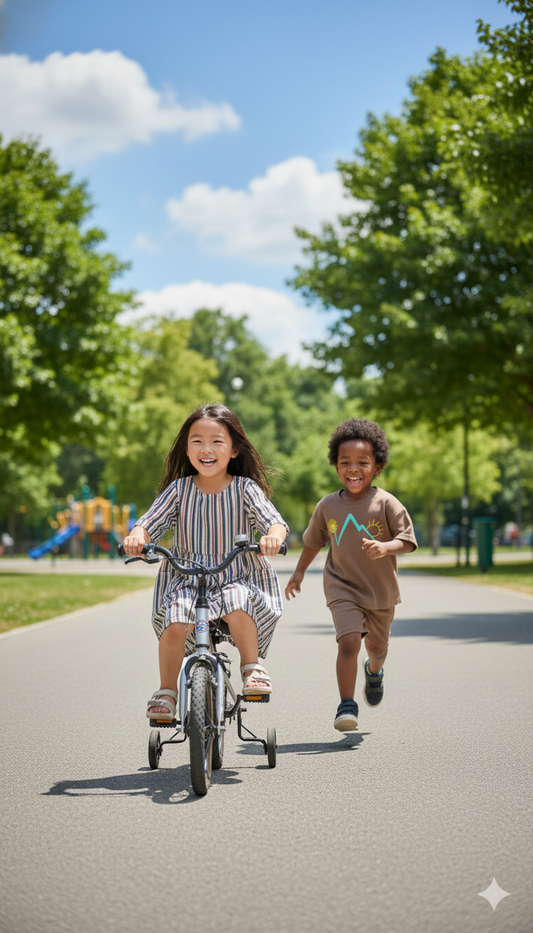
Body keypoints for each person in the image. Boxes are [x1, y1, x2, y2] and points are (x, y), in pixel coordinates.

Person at [123, 403, 288, 721]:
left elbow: (274, 521)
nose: (206, 449)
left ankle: (252, 669)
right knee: (174, 624)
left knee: (238, 604)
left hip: (235, 575)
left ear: (234, 449)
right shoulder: (179, 490)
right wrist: (138, 536)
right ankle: (167, 691)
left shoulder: (245, 489)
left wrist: (273, 537)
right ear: (186, 449)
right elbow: (149, 521)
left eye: (217, 441)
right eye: (197, 441)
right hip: (187, 578)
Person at [285, 418, 417, 732]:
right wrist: (299, 573)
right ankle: (347, 704)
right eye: (345, 463)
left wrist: (386, 548)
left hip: (380, 592)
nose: (353, 469)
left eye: (362, 462)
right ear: (336, 467)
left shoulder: (386, 503)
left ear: (377, 467)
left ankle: (374, 672)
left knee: (377, 650)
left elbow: (408, 541)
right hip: (341, 585)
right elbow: (313, 541)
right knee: (348, 643)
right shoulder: (328, 506)